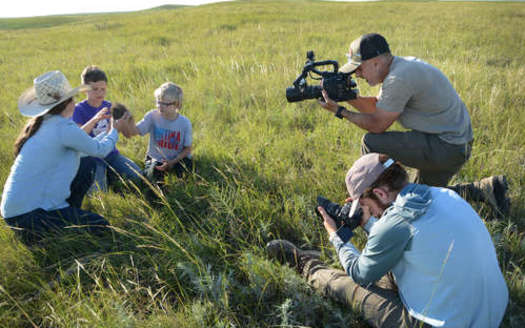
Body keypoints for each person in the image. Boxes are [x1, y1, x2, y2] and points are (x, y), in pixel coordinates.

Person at [267, 153, 508, 328]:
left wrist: (334, 235)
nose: (372, 214)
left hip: (442, 323)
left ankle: (304, 263)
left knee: (349, 287)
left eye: (367, 206)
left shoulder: (394, 225)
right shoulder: (443, 195)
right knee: (384, 263)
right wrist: (366, 221)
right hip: (494, 311)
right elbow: (398, 230)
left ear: (381, 193)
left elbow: (359, 273)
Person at [318, 33, 509, 216]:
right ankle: (486, 189)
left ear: (375, 62)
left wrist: (340, 111)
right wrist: (348, 97)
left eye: (359, 68)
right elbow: (378, 107)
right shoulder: (400, 68)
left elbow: (377, 124)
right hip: (453, 144)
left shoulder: (398, 78)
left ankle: (371, 206)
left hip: (446, 146)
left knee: (371, 142)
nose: (357, 75)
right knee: (420, 199)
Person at [0, 70, 128, 245]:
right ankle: (61, 227)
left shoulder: (44, 124)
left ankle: (69, 213)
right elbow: (100, 151)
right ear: (67, 103)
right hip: (30, 215)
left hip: (17, 212)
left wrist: (107, 134)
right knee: (100, 225)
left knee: (87, 163)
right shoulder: (62, 127)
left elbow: (88, 149)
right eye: (73, 99)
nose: (75, 103)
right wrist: (115, 129)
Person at [73, 65, 141, 191]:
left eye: (103, 89)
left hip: (111, 154)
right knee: (99, 193)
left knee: (138, 177)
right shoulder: (78, 110)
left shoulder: (109, 106)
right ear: (84, 89)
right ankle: (107, 176)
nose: (100, 93)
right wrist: (94, 120)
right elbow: (78, 137)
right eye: (95, 89)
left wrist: (127, 121)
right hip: (91, 158)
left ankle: (111, 174)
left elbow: (125, 131)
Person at [125, 82, 193, 183]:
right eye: (158, 102)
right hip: (156, 158)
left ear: (177, 104)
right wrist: (127, 123)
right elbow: (137, 130)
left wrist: (172, 162)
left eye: (166, 104)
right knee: (151, 179)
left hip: (177, 158)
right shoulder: (152, 116)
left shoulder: (184, 123)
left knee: (185, 174)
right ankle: (158, 190)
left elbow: (188, 148)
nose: (160, 106)